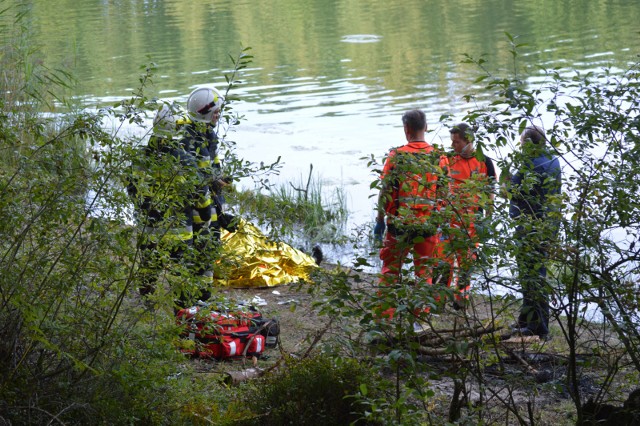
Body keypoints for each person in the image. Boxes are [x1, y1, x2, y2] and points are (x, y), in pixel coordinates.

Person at [374, 109, 447, 326]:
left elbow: (385, 190)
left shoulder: (397, 155)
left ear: (406, 129)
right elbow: (445, 194)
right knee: (424, 273)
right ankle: (420, 322)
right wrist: (440, 223)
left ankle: (383, 321)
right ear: (426, 127)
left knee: (390, 272)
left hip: (399, 225)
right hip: (427, 227)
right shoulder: (439, 157)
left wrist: (379, 221)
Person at [127, 103, 199, 303]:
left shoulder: (139, 157)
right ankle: (182, 310)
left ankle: (146, 302)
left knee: (148, 267)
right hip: (178, 230)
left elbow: (132, 190)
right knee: (181, 272)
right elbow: (196, 193)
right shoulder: (184, 159)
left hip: (148, 228)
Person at [506, 125, 562, 340]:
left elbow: (512, 190)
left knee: (532, 276)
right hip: (548, 226)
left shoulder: (529, 165)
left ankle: (540, 327)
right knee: (534, 273)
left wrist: (507, 179)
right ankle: (526, 319)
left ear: (528, 145)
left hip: (531, 229)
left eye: (522, 143)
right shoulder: (553, 160)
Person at [435, 123, 496, 310]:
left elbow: (490, 192)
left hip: (471, 223)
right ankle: (438, 302)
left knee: (466, 266)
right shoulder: (446, 159)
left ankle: (460, 301)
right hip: (447, 221)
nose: (453, 145)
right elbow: (437, 188)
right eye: (452, 142)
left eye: (457, 142)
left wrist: (487, 219)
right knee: (442, 263)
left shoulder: (484, 161)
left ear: (468, 141)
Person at [182, 86, 234, 290]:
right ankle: (193, 304)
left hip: (209, 208)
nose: (218, 115)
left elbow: (211, 169)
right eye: (216, 112)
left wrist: (219, 180)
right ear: (205, 112)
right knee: (199, 259)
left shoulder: (206, 135)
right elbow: (191, 180)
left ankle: (202, 302)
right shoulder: (190, 140)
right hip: (198, 213)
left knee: (208, 257)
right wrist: (213, 183)